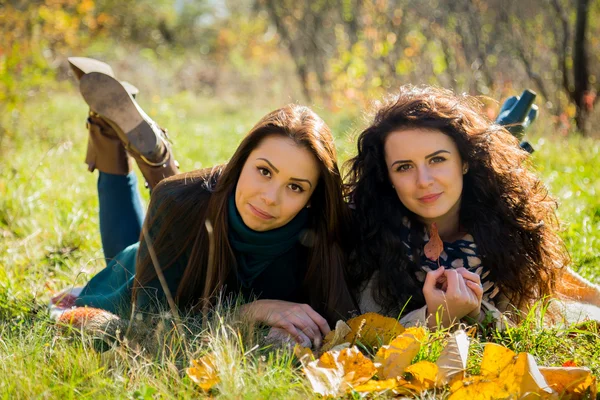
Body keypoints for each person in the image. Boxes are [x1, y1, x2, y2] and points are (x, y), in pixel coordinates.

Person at [60, 58, 356, 348]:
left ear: (312, 198)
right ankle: (120, 141)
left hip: (183, 222)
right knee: (134, 257)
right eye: (264, 171)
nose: (270, 197)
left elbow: (342, 320)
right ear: (239, 163)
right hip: (152, 257)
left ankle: (133, 145)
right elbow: (149, 325)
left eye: (295, 187)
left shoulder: (324, 231)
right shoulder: (175, 201)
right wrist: (252, 311)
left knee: (182, 206)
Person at [345, 84, 598, 329]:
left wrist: (477, 313)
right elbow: (370, 331)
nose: (424, 181)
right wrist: (435, 319)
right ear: (386, 177)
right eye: (404, 167)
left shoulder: (507, 225)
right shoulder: (369, 235)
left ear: (464, 161)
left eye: (437, 159)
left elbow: (520, 326)